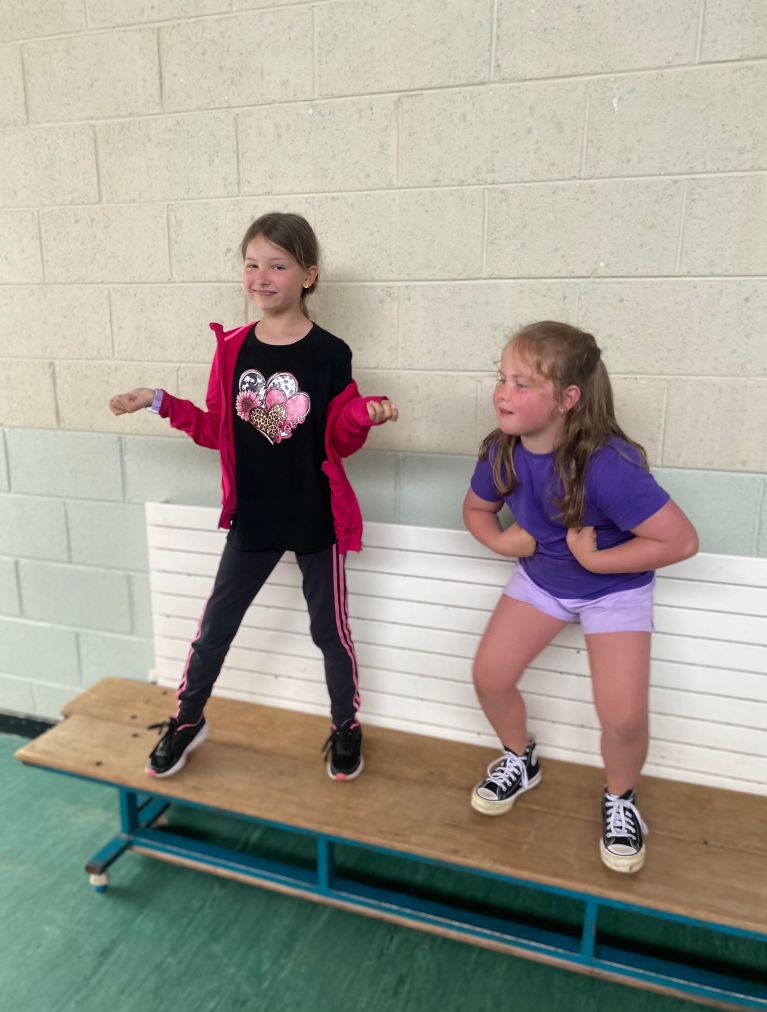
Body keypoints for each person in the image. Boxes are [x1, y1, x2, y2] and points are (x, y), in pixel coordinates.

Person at [109, 212, 398, 782]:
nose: (261, 277)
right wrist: (160, 400)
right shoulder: (233, 348)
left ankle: (346, 726)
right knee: (214, 629)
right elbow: (218, 429)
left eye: (277, 265)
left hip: (315, 519)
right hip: (255, 518)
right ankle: (187, 721)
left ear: (308, 275)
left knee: (330, 632)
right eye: (251, 264)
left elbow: (339, 436)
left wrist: (364, 415)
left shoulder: (330, 353)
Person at [463, 321, 698, 873]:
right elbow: (475, 509)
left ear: (568, 398)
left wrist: (596, 561)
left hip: (614, 593)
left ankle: (621, 798)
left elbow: (681, 541)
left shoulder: (608, 465)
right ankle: (520, 758)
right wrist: (499, 541)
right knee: (489, 676)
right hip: (542, 581)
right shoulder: (501, 450)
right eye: (502, 378)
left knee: (622, 717)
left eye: (522, 383)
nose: (503, 393)